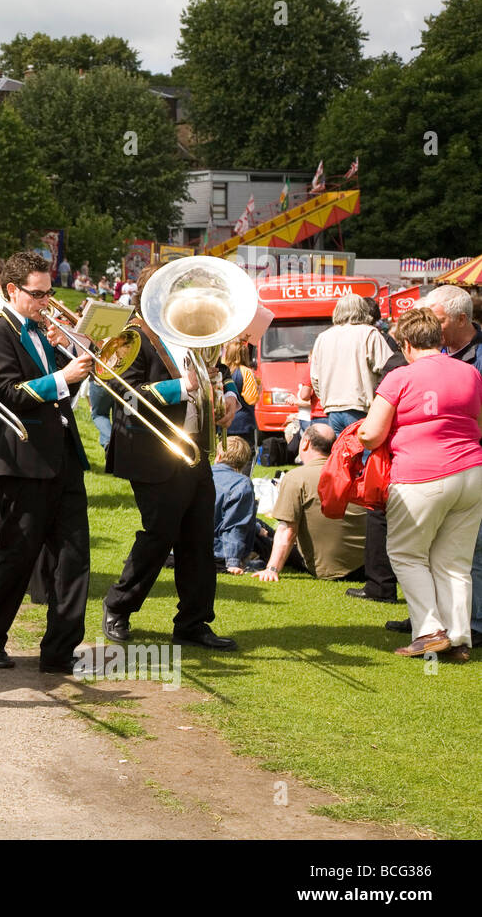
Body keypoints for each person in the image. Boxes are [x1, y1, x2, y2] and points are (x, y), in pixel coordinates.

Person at [101, 266, 242, 651]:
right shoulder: (133, 335)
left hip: (194, 445)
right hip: (151, 449)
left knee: (198, 536)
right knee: (159, 535)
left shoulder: (190, 329)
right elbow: (124, 393)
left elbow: (221, 368)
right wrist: (182, 386)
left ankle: (193, 622)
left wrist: (229, 393)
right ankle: (118, 606)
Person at [0, 251, 93, 672]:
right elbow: (6, 393)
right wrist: (63, 377)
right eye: (37, 294)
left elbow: (62, 394)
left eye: (48, 292)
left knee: (74, 558)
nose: (46, 302)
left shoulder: (42, 331)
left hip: (62, 454)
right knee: (16, 557)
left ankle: (59, 650)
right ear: (11, 291)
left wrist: (78, 361)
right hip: (21, 458)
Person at [357, 309, 482, 661]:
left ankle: (429, 631)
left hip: (421, 474)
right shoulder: (471, 373)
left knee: (407, 554)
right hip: (471, 472)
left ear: (406, 344)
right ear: (440, 340)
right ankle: (458, 638)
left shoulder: (400, 377)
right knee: (455, 562)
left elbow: (371, 433)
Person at [421, 285, 482, 646]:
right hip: (437, 462)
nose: (430, 326)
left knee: (471, 550)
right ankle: (434, 619)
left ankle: (472, 622)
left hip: (470, 461)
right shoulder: (436, 352)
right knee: (431, 546)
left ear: (462, 318)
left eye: (437, 319)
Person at [253, 424, 366, 582]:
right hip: (364, 565)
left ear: (305, 443)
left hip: (328, 567)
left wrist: (272, 569)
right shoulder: (353, 472)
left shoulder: (296, 477)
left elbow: (288, 530)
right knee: (262, 528)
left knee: (252, 527)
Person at [307, 293, 393, 436]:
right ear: (362, 310)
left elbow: (315, 377)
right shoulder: (370, 333)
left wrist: (325, 398)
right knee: (366, 455)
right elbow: (389, 369)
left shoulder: (323, 337)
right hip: (361, 406)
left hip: (332, 408)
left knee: (342, 455)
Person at [212, 436, 266, 574]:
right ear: (243, 463)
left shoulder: (202, 475)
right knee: (268, 545)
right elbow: (235, 525)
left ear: (218, 456)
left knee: (262, 529)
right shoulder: (241, 483)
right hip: (218, 553)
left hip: (182, 549)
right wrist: (233, 562)